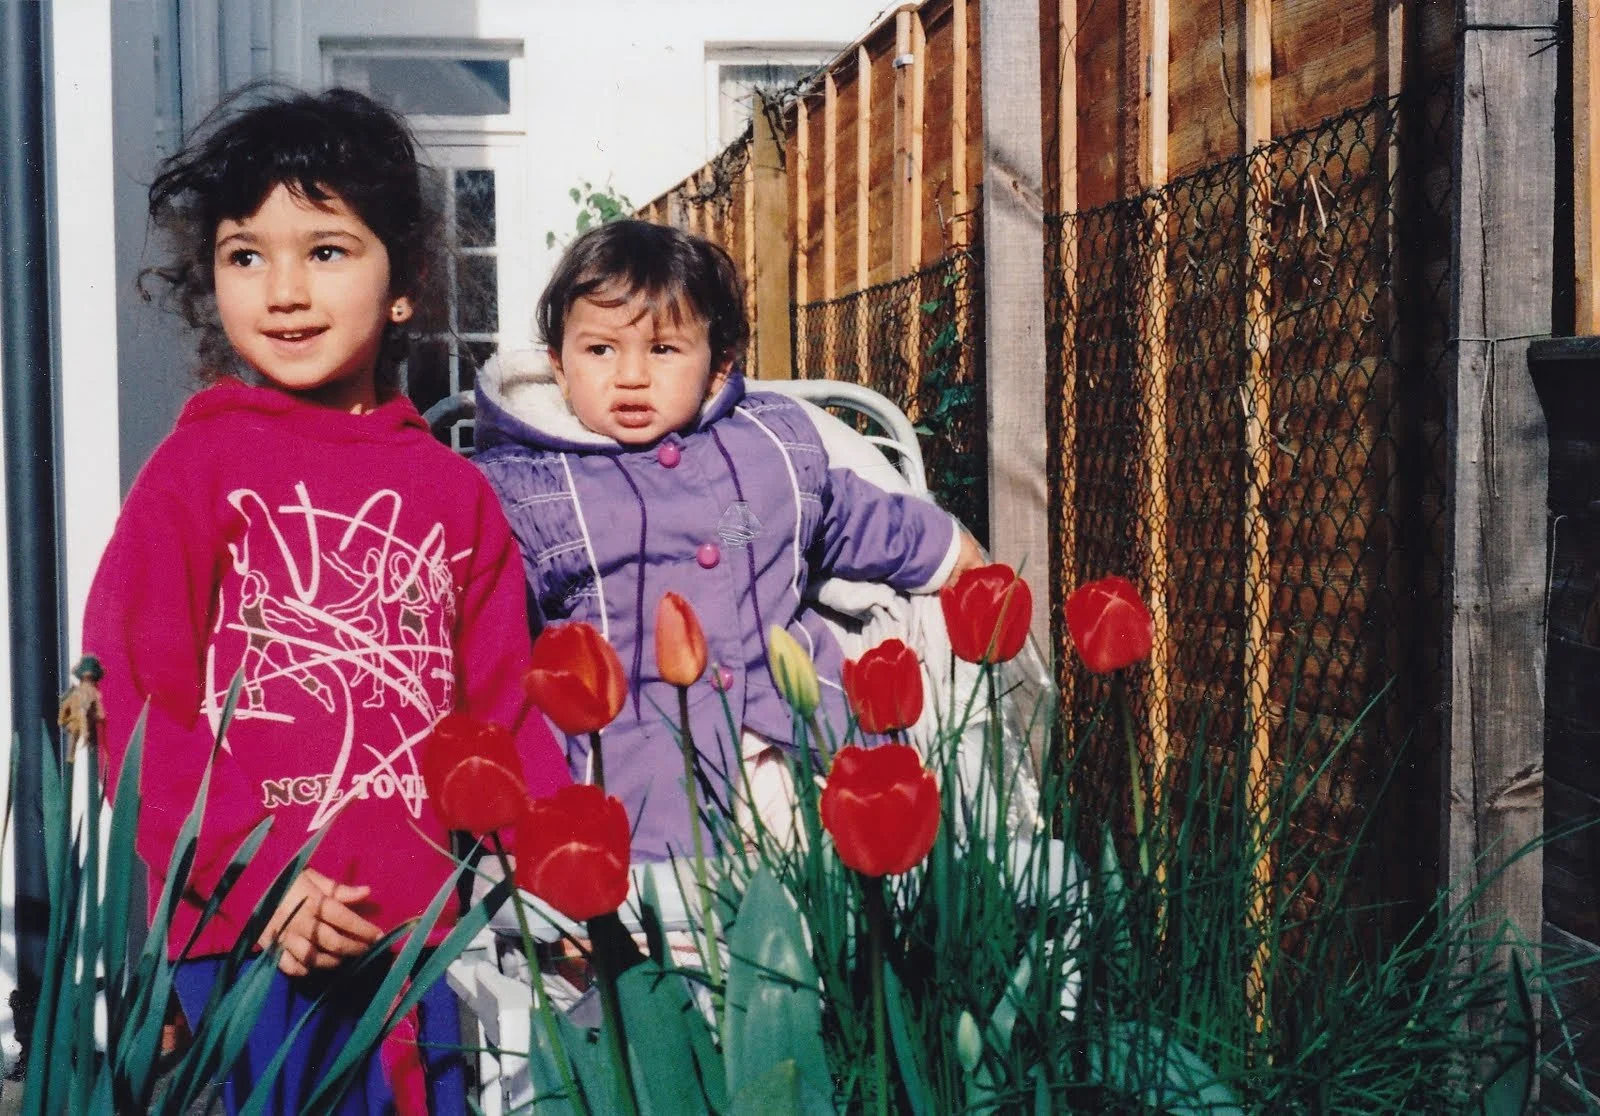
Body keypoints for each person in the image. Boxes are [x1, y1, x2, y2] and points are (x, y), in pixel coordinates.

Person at [82, 84, 568, 1114]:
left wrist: (568, 884)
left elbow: (502, 714)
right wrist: (254, 882)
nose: (284, 290)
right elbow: (138, 706)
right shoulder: (196, 470)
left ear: (407, 282)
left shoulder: (455, 491)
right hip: (248, 936)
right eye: (245, 254)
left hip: (414, 934)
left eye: (327, 250)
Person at [474, 219, 983, 861]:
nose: (630, 376)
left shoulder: (766, 450)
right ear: (559, 364)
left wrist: (949, 553)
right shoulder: (530, 487)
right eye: (600, 350)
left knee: (844, 887)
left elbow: (839, 514)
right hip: (637, 765)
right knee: (680, 924)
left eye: (663, 351)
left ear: (718, 367)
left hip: (794, 731)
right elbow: (486, 618)